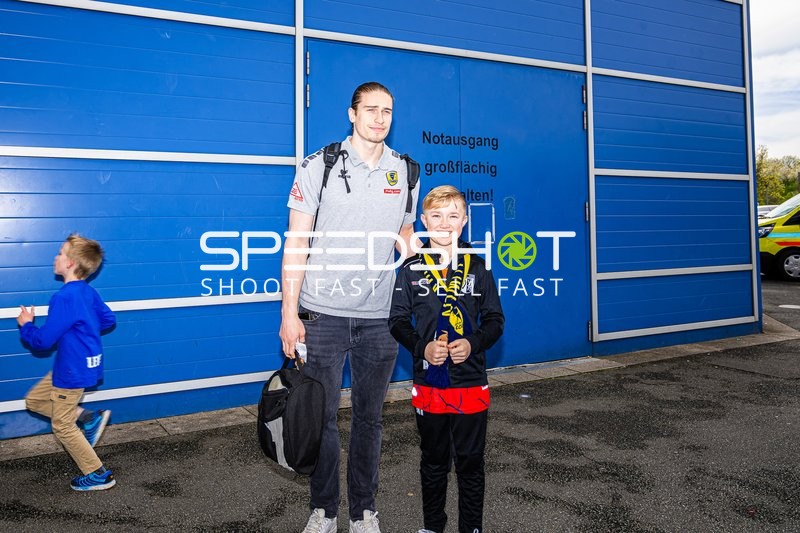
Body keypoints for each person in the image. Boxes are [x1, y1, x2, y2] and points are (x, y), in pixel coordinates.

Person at [279, 81, 419, 533]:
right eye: (372, 110)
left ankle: (363, 511)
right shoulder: (319, 165)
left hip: (381, 319)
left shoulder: (407, 172)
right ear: (352, 114)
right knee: (321, 419)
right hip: (322, 313)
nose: (380, 118)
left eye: (388, 111)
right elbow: (296, 241)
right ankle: (324, 510)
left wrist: (439, 253)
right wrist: (288, 312)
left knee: (370, 419)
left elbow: (404, 236)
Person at [388, 185, 505, 533]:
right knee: (434, 461)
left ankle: (472, 527)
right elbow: (396, 321)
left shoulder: (478, 267)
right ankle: (432, 526)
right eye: (436, 216)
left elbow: (495, 321)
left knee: (470, 462)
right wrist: (422, 348)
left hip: (470, 382)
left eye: (453, 216)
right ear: (424, 221)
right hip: (430, 383)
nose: (444, 223)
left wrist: (473, 343)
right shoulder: (410, 269)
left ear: (465, 220)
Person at [17, 233, 117, 491]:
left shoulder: (63, 298)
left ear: (71, 263)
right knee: (35, 400)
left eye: (61, 253)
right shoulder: (88, 292)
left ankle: (97, 473)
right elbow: (108, 320)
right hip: (77, 366)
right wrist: (81, 331)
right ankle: (88, 418)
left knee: (62, 425)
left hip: (71, 372)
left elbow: (42, 342)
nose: (56, 257)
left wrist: (27, 325)